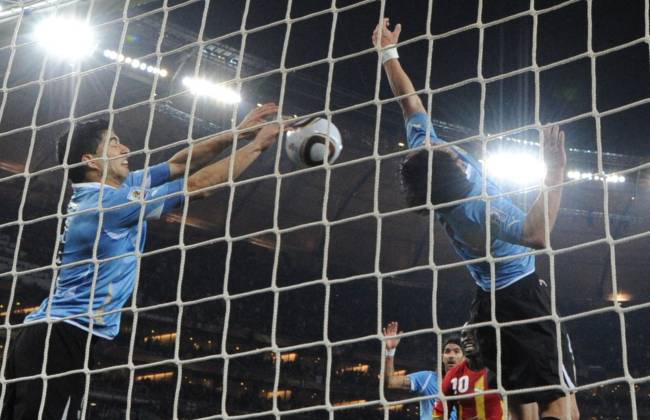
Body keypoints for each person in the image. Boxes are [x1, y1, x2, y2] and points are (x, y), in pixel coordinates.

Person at [1, 103, 283, 419]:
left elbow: (180, 163)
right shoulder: (109, 204)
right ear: (91, 161)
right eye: (113, 142)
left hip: (57, 337)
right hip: (59, 339)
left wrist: (238, 134)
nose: (126, 148)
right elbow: (196, 185)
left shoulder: (121, 188)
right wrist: (259, 145)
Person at [373, 19, 578, 420]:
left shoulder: (426, 155)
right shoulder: (475, 208)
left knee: (520, 400)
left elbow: (410, 104)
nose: (441, 146)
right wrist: (554, 172)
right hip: (521, 297)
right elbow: (537, 235)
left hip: (486, 307)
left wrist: (388, 54)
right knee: (556, 399)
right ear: (452, 174)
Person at [383, 321, 464, 420]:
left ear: (464, 358)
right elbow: (391, 381)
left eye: (456, 351)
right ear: (442, 358)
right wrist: (390, 351)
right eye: (447, 351)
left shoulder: (469, 384)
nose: (451, 355)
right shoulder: (427, 378)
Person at [435, 326, 504, 419]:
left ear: (485, 337)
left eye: (473, 333)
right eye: (464, 335)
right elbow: (438, 414)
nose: (467, 338)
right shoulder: (453, 375)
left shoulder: (501, 369)